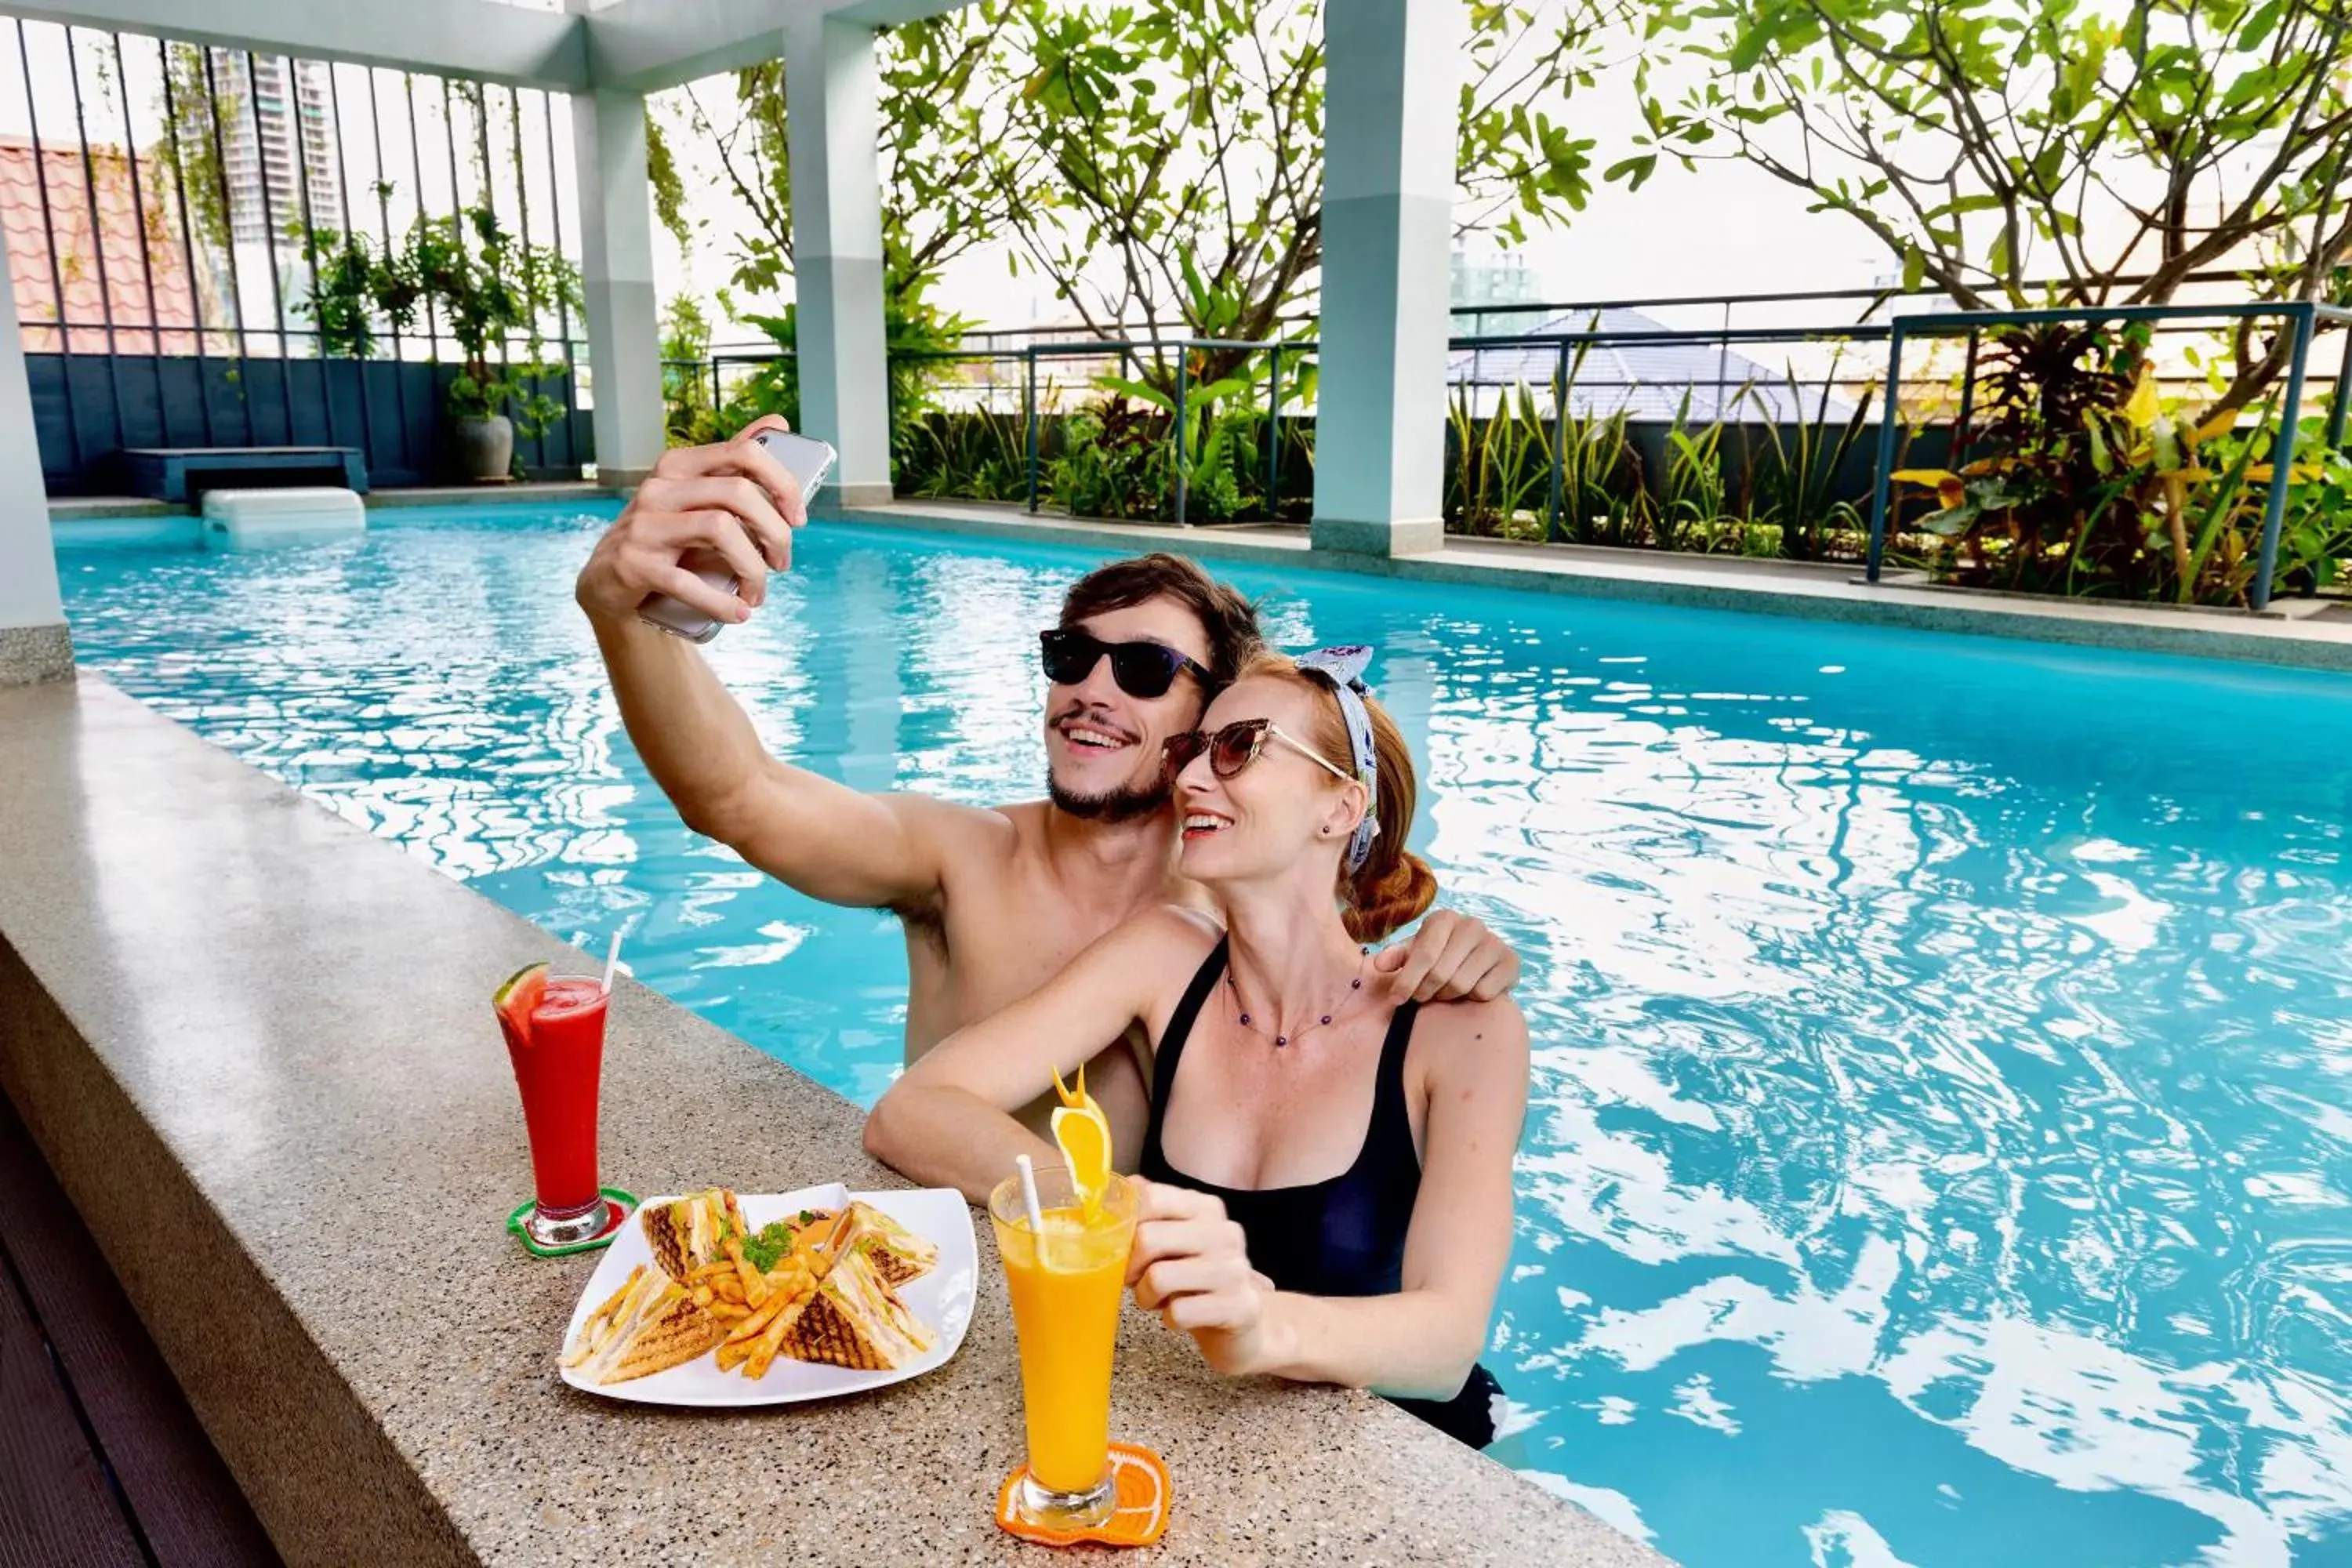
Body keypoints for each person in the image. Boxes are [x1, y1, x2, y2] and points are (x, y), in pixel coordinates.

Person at [572, 418, 1523, 1149]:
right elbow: (736, 795)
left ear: (1211, 723)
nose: (1091, 690)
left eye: (1145, 669)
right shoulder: (960, 858)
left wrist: (1463, 950)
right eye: (1071, 655)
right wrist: (623, 613)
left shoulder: (1246, 904)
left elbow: (1381, 965)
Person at [866, 646, 1528, 1447]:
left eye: (1239, 746)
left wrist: (1260, 1325)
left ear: (1340, 806)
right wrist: (1104, 1205)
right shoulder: (1164, 956)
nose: (1188, 780)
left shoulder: (1461, 1027)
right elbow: (912, 1110)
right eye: (1189, 749)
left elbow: (1446, 1345)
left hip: (1406, 1445)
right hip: (1184, 1422)